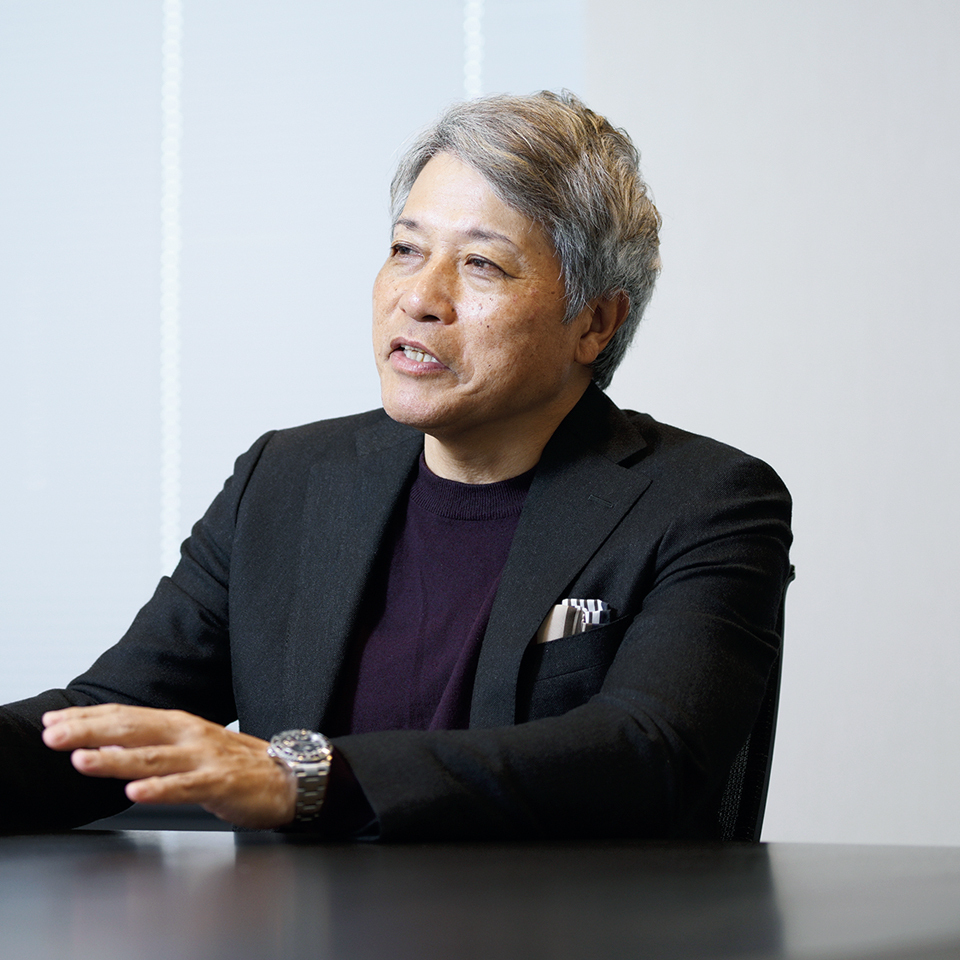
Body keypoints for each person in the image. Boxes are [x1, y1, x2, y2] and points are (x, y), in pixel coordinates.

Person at [0, 91, 792, 839]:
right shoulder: (287, 479)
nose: (419, 297)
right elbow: (113, 722)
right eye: (406, 250)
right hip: (300, 922)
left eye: (482, 265)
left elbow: (647, 751)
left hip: (555, 920)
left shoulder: (705, 501)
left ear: (594, 323)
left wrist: (306, 778)